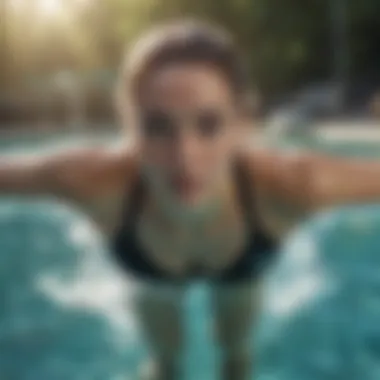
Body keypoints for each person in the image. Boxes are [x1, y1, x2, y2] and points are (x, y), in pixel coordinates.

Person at [1, 19, 380, 380]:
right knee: (166, 364)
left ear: (242, 124)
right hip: (150, 269)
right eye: (157, 127)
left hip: (242, 261)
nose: (184, 157)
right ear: (127, 127)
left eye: (209, 125)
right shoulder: (91, 182)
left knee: (235, 357)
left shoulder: (293, 186)